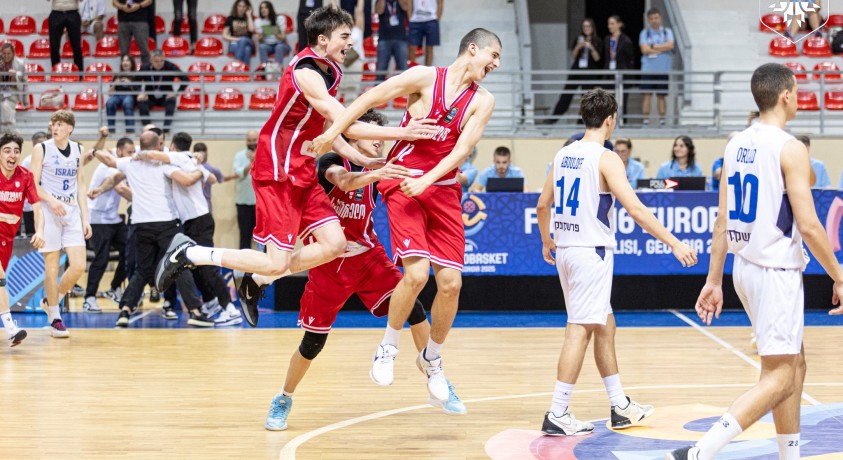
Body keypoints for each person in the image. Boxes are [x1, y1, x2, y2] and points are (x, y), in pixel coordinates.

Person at [153, 6, 437, 328]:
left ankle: (256, 279)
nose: (350, 44)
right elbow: (349, 125)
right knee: (277, 262)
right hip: (278, 168)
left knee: (335, 244)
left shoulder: (331, 69)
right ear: (322, 38)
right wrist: (404, 131)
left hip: (300, 168)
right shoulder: (306, 72)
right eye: (345, 37)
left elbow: (330, 126)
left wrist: (360, 159)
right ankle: (190, 253)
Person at [310, 28, 500, 404]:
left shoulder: (483, 100)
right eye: (492, 55)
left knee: (451, 285)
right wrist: (333, 130)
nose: (495, 64)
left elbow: (463, 150)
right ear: (473, 49)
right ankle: (388, 347)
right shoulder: (425, 77)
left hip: (441, 188)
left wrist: (429, 179)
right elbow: (368, 98)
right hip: (401, 181)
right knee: (415, 275)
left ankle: (432, 360)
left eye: (498, 61)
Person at [667, 62, 843, 460]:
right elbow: (811, 226)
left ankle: (789, 455)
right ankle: (700, 451)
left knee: (794, 365)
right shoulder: (790, 148)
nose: (799, 97)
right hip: (774, 270)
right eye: (797, 91)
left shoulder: (735, 144)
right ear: (785, 96)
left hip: (743, 267)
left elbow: (722, 220)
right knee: (781, 376)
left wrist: (714, 280)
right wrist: (839, 275)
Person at [265, 109, 466, 430]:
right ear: (353, 135)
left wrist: (446, 174)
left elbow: (426, 180)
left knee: (414, 309)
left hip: (369, 259)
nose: (378, 141)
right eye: (372, 134)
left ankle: (436, 375)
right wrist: (380, 172)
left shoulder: (386, 169)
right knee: (312, 343)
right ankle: (284, 397)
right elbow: (343, 182)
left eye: (381, 135)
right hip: (329, 265)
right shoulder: (331, 161)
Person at [536, 88, 697, 436]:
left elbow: (541, 205)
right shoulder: (607, 158)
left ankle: (620, 405)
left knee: (605, 324)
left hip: (566, 250)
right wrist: (674, 243)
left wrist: (547, 240)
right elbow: (636, 209)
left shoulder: (563, 154)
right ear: (611, 120)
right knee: (579, 329)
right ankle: (557, 411)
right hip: (590, 252)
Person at [90, 131, 213, 327]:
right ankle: (195, 312)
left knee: (142, 270)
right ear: (158, 146)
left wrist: (94, 151)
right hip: (166, 223)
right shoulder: (164, 164)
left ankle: (125, 311)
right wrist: (202, 171)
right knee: (179, 265)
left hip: (141, 224)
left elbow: (109, 161)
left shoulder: (130, 163)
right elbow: (187, 181)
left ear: (140, 145)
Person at [29, 110, 93, 339]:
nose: (54, 127)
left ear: (70, 128)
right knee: (52, 265)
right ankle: (55, 317)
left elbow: (81, 185)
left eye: (59, 124)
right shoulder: (42, 149)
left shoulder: (78, 149)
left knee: (78, 266)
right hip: (49, 210)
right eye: (52, 123)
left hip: (72, 212)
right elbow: (32, 185)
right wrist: (52, 200)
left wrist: (86, 217)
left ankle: (49, 299)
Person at [0, 134, 45, 347]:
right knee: (0, 279)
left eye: (16, 151)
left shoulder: (25, 176)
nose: (12, 155)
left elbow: (37, 208)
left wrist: (40, 231)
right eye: (7, 150)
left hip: (6, 239)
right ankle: (11, 328)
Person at [83, 136, 132, 313]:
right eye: (129, 152)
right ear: (119, 151)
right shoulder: (109, 166)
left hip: (113, 219)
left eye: (133, 153)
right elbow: (117, 185)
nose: (131, 156)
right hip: (98, 218)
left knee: (131, 251)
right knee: (101, 258)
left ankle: (114, 287)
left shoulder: (124, 164)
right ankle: (89, 298)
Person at [549, 18, 602, 121]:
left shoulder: (597, 40)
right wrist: (578, 46)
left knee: (587, 98)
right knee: (566, 94)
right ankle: (554, 117)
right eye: (584, 26)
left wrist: (591, 47)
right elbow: (573, 56)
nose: (586, 28)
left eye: (588, 26)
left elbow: (597, 58)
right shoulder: (578, 38)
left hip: (589, 72)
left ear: (592, 28)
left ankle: (581, 120)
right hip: (577, 70)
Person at [137, 50, 188, 133]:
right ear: (151, 60)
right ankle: (150, 130)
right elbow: (135, 82)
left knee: (172, 100)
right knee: (141, 102)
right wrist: (140, 92)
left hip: (166, 96)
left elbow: (185, 79)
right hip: (150, 96)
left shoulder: (170, 66)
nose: (159, 63)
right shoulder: (145, 67)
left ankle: (166, 130)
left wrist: (176, 93)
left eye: (161, 61)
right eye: (156, 61)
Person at [639, 8, 674, 128]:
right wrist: (661, 49)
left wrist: (654, 47)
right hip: (648, 69)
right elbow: (644, 49)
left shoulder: (667, 32)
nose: (654, 20)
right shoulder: (645, 33)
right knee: (647, 95)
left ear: (660, 18)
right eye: (652, 18)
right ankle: (645, 122)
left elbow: (670, 45)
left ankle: (662, 122)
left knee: (661, 96)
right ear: (648, 20)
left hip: (662, 69)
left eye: (656, 18)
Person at [604, 15, 635, 123]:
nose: (609, 26)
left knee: (622, 101)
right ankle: (609, 124)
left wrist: (629, 77)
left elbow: (630, 59)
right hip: (609, 75)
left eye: (612, 23)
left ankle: (622, 123)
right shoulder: (607, 39)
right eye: (608, 24)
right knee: (608, 102)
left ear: (619, 24)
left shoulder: (626, 40)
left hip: (622, 75)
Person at [18, 132, 49, 237]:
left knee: (46, 235)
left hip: (46, 205)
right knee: (32, 236)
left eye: (45, 143)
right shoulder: (27, 161)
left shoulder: (50, 160)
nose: (43, 146)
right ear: (33, 144)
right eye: (40, 143)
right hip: (30, 206)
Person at [232, 130, 258, 249]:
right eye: (249, 140)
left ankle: (265, 266)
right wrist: (251, 163)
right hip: (244, 205)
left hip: (261, 205)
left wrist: (257, 159)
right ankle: (243, 267)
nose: (252, 143)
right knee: (245, 238)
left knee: (265, 240)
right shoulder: (239, 156)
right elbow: (238, 173)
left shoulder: (265, 154)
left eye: (254, 140)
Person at [375, 0, 410, 81]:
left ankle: (406, 93)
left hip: (400, 39)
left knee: (403, 70)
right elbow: (379, 11)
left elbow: (406, 7)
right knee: (381, 70)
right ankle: (379, 92)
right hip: (384, 39)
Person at [105, 55, 140, 134]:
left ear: (132, 63)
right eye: (123, 61)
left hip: (129, 95)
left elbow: (138, 92)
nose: (125, 63)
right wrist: (114, 84)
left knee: (127, 102)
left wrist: (130, 84)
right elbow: (110, 93)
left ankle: (130, 132)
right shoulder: (117, 75)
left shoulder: (136, 75)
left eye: (127, 61)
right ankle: (111, 131)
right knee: (109, 102)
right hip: (117, 95)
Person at [113, 0, 153, 65]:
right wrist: (122, 7)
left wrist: (139, 6)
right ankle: (125, 74)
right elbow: (114, 2)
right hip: (123, 20)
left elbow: (149, 1)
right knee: (123, 51)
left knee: (144, 50)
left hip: (140, 20)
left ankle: (146, 71)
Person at [49, 0, 85, 73]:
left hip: (72, 12)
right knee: (54, 46)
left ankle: (79, 74)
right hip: (56, 12)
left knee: (77, 46)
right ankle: (56, 71)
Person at [192, 143, 227, 212]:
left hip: (193, 207)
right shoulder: (212, 169)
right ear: (206, 152)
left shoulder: (188, 167)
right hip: (206, 207)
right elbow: (222, 179)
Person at [0, 43, 26, 135]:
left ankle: (8, 128)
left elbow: (23, 82)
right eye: (4, 53)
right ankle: (9, 128)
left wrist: (15, 75)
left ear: (13, 53)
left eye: (9, 53)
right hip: (1, 91)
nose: (6, 56)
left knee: (4, 105)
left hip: (13, 92)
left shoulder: (19, 63)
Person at [256, 1, 292, 66]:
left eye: (266, 8)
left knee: (279, 47)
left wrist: (276, 34)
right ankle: (264, 69)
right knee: (262, 47)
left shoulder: (280, 18)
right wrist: (262, 35)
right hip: (267, 45)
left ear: (270, 9)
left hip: (280, 43)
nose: (263, 10)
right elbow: (260, 40)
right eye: (261, 8)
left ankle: (276, 70)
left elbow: (283, 37)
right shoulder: (258, 21)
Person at [408, 0, 442, 66]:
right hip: (415, 19)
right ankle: (412, 71)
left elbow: (440, 2)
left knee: (429, 48)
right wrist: (410, 16)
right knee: (412, 48)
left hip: (431, 19)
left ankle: (428, 72)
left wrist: (437, 18)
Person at [224, 0, 257, 66]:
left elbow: (251, 30)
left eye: (244, 7)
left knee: (244, 39)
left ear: (247, 8)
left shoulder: (250, 18)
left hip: (248, 42)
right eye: (239, 6)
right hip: (234, 44)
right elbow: (224, 36)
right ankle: (246, 73)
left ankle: (236, 67)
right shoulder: (230, 18)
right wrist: (239, 39)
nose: (241, 8)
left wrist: (249, 15)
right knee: (247, 50)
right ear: (236, 7)